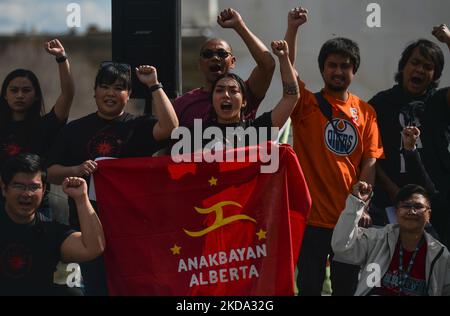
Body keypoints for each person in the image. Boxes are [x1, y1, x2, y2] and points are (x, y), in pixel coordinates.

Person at [46, 63, 178, 295]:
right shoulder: (73, 130)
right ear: (94, 91)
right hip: (87, 230)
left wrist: (154, 85)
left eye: (119, 88)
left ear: (128, 95)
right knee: (96, 289)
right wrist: (76, 169)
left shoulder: (138, 126)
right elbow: (51, 172)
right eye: (104, 87)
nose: (110, 93)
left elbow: (170, 127)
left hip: (132, 229)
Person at [285, 7, 384, 295]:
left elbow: (370, 159)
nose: (338, 71)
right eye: (332, 65)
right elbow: (288, 72)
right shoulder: (305, 105)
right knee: (309, 287)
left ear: (354, 70)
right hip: (311, 219)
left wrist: (361, 205)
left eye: (345, 66)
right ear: (322, 68)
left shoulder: (366, 112)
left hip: (348, 221)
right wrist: (293, 29)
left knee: (346, 289)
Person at [368, 24, 450, 225]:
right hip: (389, 204)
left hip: (437, 202)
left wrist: (449, 42)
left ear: (435, 75)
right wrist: (393, 190)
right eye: (415, 63)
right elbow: (370, 155)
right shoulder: (380, 103)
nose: (420, 70)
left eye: (428, 67)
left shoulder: (440, 102)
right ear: (403, 66)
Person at [0, 153, 104, 296]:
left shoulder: (50, 231)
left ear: (43, 190)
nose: (27, 194)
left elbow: (92, 248)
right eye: (19, 186)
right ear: (4, 188)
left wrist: (81, 199)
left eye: (34, 187)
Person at [173, 40, 299, 153]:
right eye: (220, 90)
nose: (226, 95)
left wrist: (284, 58)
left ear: (244, 101)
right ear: (212, 101)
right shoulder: (193, 136)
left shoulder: (256, 130)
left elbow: (291, 97)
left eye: (233, 91)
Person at [332, 181, 450, 296]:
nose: (412, 211)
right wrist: (356, 202)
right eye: (406, 206)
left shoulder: (440, 255)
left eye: (418, 207)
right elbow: (342, 248)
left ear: (429, 215)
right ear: (396, 212)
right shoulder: (377, 239)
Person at [0, 38, 75, 217]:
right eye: (14, 90)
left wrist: (62, 58)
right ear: (4, 95)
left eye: (26, 91)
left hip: (37, 204)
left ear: (35, 96)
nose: (19, 95)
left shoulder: (45, 126)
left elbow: (68, 93)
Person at [174, 8, 275, 128]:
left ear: (232, 62)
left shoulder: (244, 93)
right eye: (208, 54)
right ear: (199, 64)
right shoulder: (183, 103)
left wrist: (239, 25)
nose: (215, 58)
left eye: (222, 54)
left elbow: (268, 64)